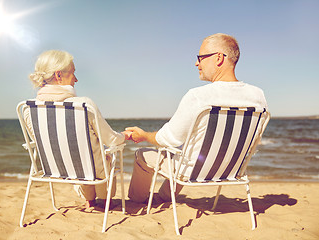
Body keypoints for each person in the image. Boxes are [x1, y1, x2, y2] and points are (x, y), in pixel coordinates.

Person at [125, 33, 268, 203]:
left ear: (219, 58)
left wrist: (144, 136)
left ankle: (137, 201)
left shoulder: (198, 96)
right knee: (192, 148)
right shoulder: (257, 96)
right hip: (230, 171)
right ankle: (164, 197)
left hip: (193, 172)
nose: (196, 63)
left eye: (200, 58)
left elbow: (168, 139)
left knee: (143, 155)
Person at [25, 50, 131, 208]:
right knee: (104, 156)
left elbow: (43, 143)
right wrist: (125, 135)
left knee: (78, 156)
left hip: (59, 171)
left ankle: (90, 200)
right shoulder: (83, 105)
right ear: (59, 75)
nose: (76, 79)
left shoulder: (28, 110)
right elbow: (111, 140)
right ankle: (103, 200)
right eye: (73, 73)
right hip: (93, 172)